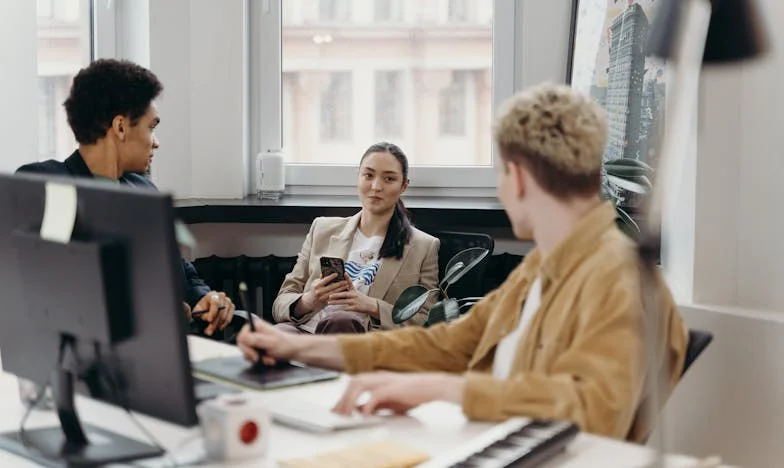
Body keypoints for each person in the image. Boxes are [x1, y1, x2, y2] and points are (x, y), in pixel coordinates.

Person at [238, 83, 689, 441]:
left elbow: (594, 409)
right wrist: (295, 347)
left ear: (517, 177)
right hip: (493, 441)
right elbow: (446, 344)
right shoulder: (542, 268)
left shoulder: (617, 275)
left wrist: (440, 388)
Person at [16, 58, 234, 337]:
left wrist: (203, 297)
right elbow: (53, 289)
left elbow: (181, 272)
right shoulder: (53, 187)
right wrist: (156, 310)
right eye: (151, 127)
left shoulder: (144, 190)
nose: (156, 142)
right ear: (120, 127)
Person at [272, 142, 440, 334]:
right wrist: (310, 300)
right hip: (305, 332)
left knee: (341, 321)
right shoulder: (322, 229)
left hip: (361, 341)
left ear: (404, 186)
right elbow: (281, 303)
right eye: (368, 175)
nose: (376, 186)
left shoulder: (423, 246)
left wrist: (372, 306)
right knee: (273, 335)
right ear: (358, 177)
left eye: (389, 179)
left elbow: (426, 320)